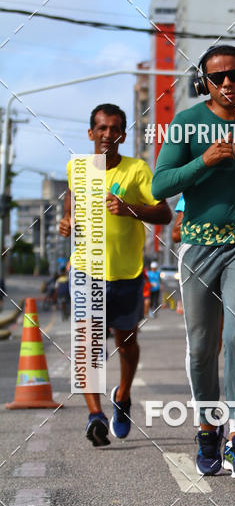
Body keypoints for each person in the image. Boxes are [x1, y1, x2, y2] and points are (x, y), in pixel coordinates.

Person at [152, 45, 235, 479]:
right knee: (202, 346)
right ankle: (206, 429)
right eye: (217, 78)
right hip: (198, 247)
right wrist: (204, 160)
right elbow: (160, 183)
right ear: (204, 84)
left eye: (234, 75)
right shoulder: (185, 124)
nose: (227, 84)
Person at [59, 103, 172, 446]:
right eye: (102, 128)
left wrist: (130, 209)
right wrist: (67, 222)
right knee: (88, 345)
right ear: (91, 133)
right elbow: (71, 206)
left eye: (115, 129)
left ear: (123, 135)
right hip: (86, 270)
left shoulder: (137, 169)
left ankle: (122, 397)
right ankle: (95, 415)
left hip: (127, 272)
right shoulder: (77, 167)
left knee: (126, 344)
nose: (108, 134)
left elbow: (164, 214)